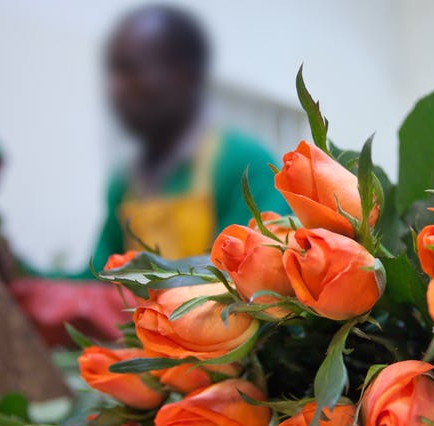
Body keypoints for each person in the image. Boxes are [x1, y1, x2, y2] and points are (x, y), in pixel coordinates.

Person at [88, 4, 288, 269]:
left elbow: (256, 276)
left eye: (131, 70)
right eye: (114, 72)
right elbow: (98, 280)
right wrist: (20, 272)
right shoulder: (124, 185)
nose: (116, 88)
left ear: (185, 78)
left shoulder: (244, 165)